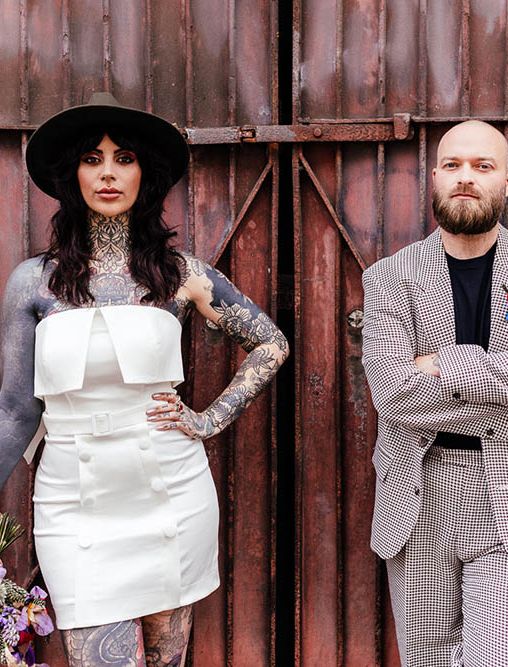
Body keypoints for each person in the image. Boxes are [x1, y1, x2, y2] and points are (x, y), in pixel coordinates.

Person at [0, 92, 289, 666]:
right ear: (71, 175)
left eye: (124, 158)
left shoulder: (183, 276)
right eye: (93, 159)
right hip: (72, 500)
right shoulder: (35, 282)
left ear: (144, 175)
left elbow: (271, 343)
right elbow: (14, 410)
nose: (108, 173)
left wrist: (208, 419)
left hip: (170, 495)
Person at [361, 120, 508, 666]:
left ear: (507, 182)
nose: (467, 178)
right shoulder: (389, 277)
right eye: (454, 166)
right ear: (434, 178)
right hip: (418, 496)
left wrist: (441, 363)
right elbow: (392, 395)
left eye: (483, 167)